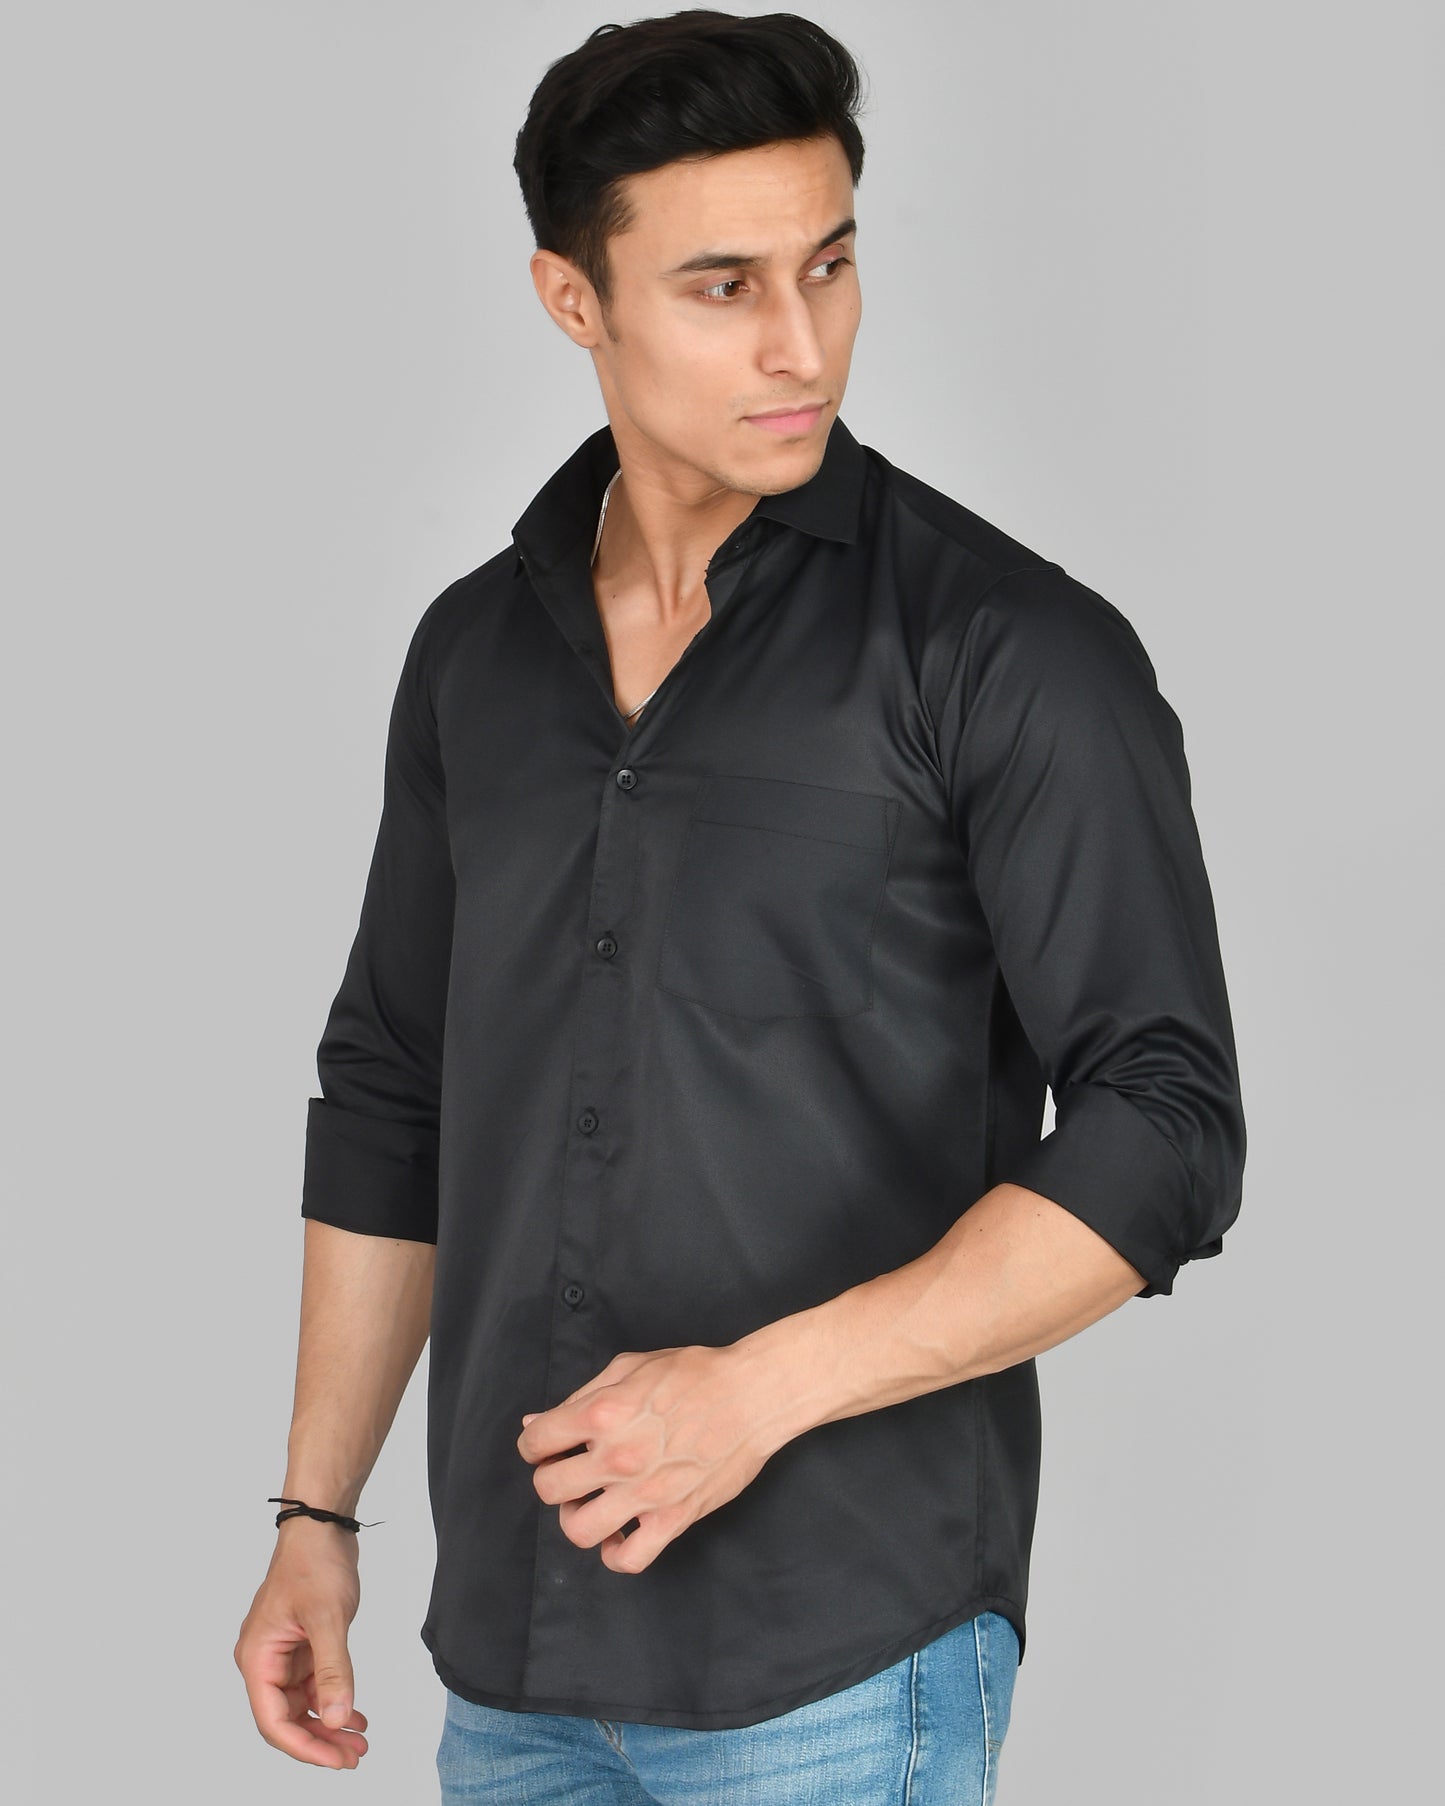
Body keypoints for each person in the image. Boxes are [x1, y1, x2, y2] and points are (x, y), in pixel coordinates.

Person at [234, 10, 1247, 1803]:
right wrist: (316, 1513)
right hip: (512, 1663)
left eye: (828, 265)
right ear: (573, 299)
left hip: (839, 1655)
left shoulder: (1008, 652)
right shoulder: (474, 654)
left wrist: (757, 1390)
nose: (802, 344)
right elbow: (393, 1089)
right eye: (722, 287)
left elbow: (1164, 1123)